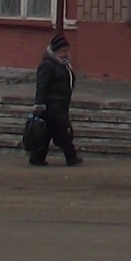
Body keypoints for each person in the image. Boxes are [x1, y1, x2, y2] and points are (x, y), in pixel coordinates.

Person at [30, 33, 81, 166]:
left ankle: (37, 158)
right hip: (52, 107)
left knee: (47, 134)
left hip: (59, 105)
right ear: (56, 50)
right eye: (63, 51)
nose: (66, 54)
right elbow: (42, 86)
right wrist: (39, 106)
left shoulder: (62, 65)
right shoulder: (48, 65)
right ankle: (71, 157)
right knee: (62, 133)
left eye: (66, 51)